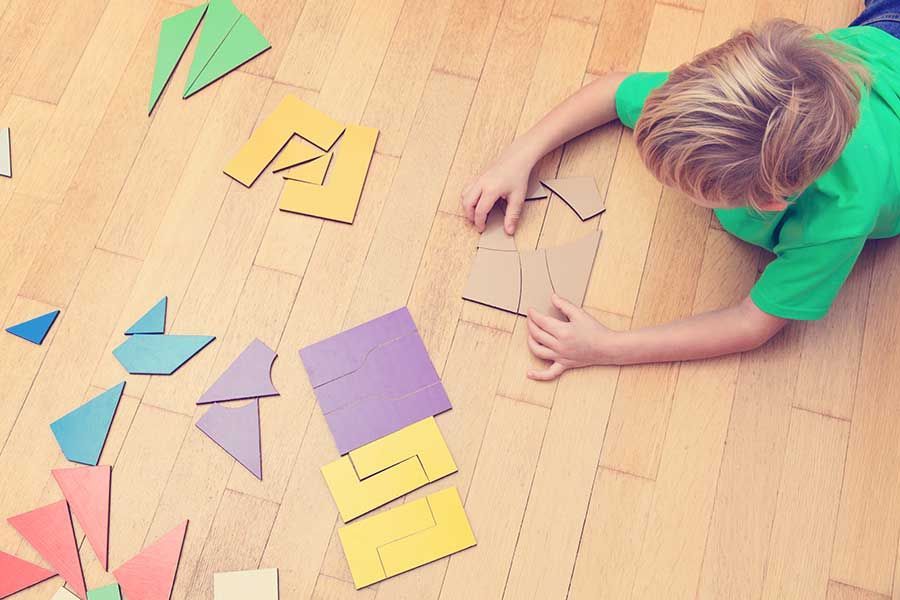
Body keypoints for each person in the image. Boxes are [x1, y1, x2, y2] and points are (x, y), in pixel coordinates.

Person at [461, 4, 900, 380]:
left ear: (766, 203)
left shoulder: (837, 220)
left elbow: (751, 324)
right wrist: (521, 154)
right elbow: (615, 89)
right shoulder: (715, 106)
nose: (668, 188)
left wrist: (607, 347)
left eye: (685, 187)